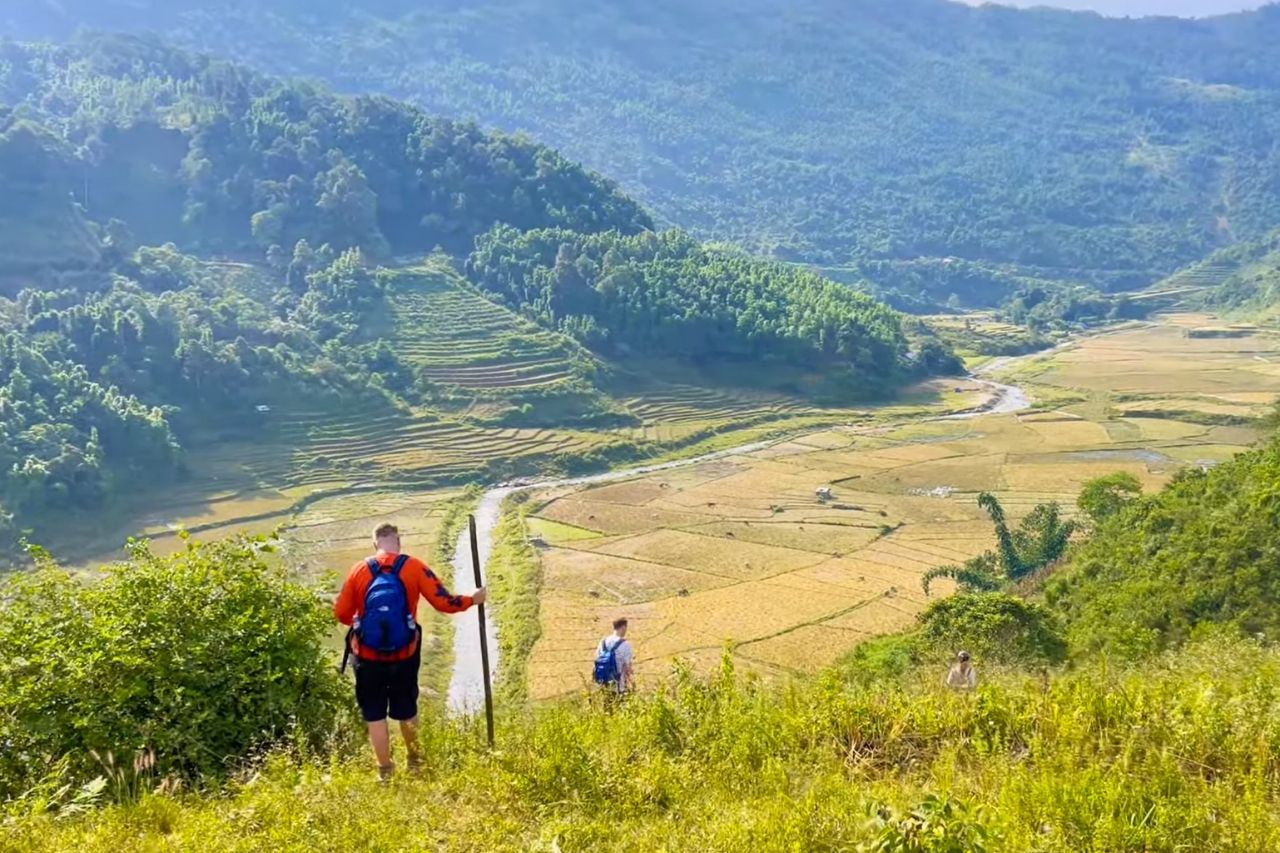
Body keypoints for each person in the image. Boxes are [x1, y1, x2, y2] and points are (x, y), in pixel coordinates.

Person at [334, 522, 486, 781]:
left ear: (374, 544)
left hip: (368, 657)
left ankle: (385, 772)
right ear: (398, 541)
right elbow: (444, 603)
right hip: (404, 654)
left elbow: (341, 614)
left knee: (374, 714)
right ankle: (414, 762)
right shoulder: (413, 567)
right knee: (406, 709)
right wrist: (472, 599)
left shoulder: (358, 570)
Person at [593, 617, 634, 694]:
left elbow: (597, 659)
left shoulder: (603, 642)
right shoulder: (625, 644)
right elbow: (627, 667)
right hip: (618, 686)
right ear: (623, 627)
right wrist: (632, 682)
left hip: (603, 685)